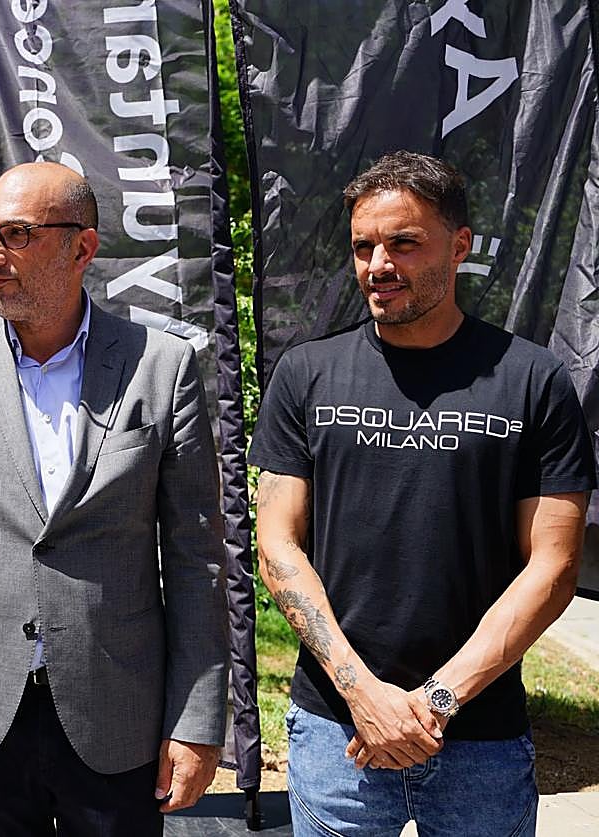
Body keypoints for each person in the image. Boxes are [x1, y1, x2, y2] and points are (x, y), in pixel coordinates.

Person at [0, 161, 230, 836]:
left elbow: (196, 562)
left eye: (16, 234)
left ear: (82, 247)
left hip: (117, 713)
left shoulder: (160, 366)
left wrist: (198, 719)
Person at [250, 151, 595, 836]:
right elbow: (276, 541)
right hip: (336, 730)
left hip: (481, 739)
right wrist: (363, 693)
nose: (380, 263)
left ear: (459, 245)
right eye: (363, 246)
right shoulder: (307, 375)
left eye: (404, 242)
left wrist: (436, 699)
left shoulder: (532, 379)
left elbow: (553, 565)